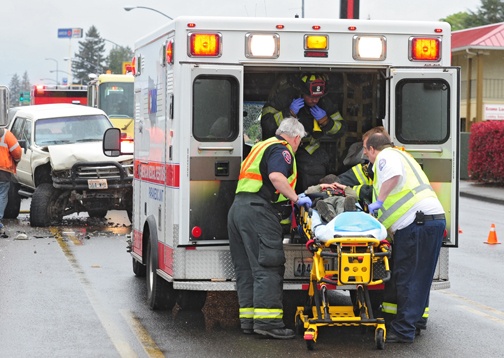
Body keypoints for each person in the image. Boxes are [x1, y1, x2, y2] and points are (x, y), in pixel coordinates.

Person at [227, 117, 311, 339]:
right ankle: (268, 323)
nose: (298, 145)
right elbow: (276, 176)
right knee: (268, 267)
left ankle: (249, 320)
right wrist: (295, 198)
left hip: (238, 210)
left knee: (246, 270)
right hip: (258, 212)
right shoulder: (282, 150)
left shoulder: (260, 145)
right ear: (295, 137)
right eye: (300, 141)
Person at [364, 132, 445, 343]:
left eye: (366, 150)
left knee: (407, 276)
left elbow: (394, 176)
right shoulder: (403, 155)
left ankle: (403, 330)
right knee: (421, 276)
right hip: (433, 219)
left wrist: (379, 201)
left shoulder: (386, 156)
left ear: (373, 148)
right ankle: (416, 321)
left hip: (415, 223)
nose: (366, 155)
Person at [261, 73, 345, 193]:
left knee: (314, 175)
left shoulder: (325, 103)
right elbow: (267, 124)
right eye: (310, 96)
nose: (315, 100)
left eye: (318, 97)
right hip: (284, 148)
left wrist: (326, 121)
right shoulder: (285, 98)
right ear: (301, 92)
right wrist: (288, 112)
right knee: (279, 173)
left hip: (310, 150)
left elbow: (341, 130)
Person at [0, 127, 22, 233]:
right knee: (2, 195)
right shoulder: (7, 135)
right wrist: (16, 161)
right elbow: (17, 152)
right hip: (3, 171)